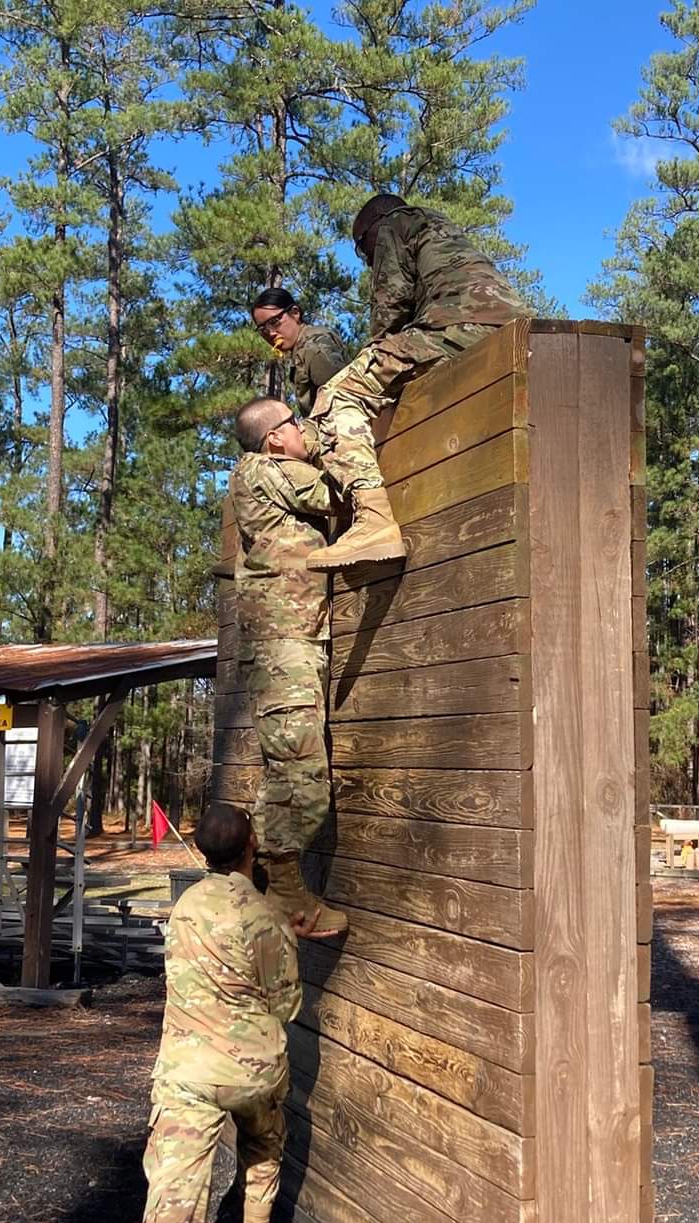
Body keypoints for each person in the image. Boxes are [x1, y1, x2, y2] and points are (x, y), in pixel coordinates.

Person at [128, 802, 303, 1223]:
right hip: (255, 1069)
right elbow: (287, 1004)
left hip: (189, 1071)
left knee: (175, 1183)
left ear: (203, 852)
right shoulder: (267, 915)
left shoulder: (183, 908)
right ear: (251, 848)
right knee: (264, 1141)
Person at [305, 193, 532, 572]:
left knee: (339, 394)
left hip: (455, 328)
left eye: (364, 253)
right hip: (508, 331)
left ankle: (373, 520)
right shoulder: (440, 228)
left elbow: (390, 309)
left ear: (371, 230)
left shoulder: (395, 224)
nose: (368, 262)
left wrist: (374, 357)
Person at [226, 394, 348, 937]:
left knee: (287, 771)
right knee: (304, 777)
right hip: (285, 646)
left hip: (291, 642)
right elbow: (333, 494)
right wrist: (335, 438)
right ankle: (286, 895)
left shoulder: (261, 474)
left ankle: (269, 885)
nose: (302, 430)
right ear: (275, 437)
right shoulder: (265, 470)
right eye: (295, 424)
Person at [249, 288, 349, 417]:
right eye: (263, 329)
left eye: (274, 322)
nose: (271, 333)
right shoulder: (300, 349)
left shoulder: (313, 346)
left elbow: (342, 402)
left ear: (295, 313)